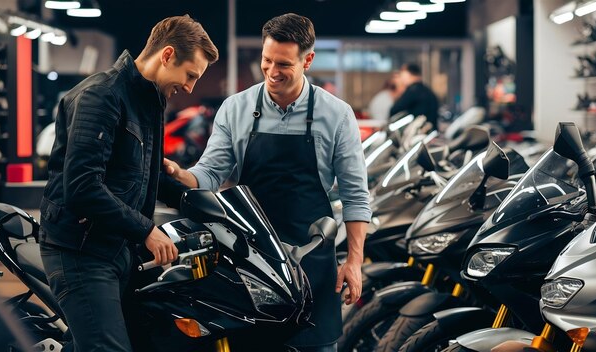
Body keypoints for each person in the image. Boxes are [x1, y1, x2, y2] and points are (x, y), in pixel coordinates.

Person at [164, 13, 370, 351]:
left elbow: (355, 195)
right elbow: (209, 174)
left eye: (284, 64)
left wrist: (354, 261)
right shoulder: (236, 108)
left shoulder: (337, 114)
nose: (273, 72)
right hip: (252, 260)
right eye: (266, 60)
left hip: (311, 260)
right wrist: (178, 174)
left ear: (308, 60)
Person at [38, 15, 218, 352]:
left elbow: (150, 179)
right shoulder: (101, 96)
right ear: (167, 56)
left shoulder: (149, 103)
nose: (192, 87)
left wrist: (215, 210)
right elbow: (82, 187)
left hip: (117, 248)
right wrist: (147, 231)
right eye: (190, 75)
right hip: (80, 251)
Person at [389, 62, 439, 129]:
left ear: (408, 74)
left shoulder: (413, 91)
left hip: (418, 132)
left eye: (401, 74)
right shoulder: (425, 90)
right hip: (429, 130)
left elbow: (395, 110)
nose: (401, 78)